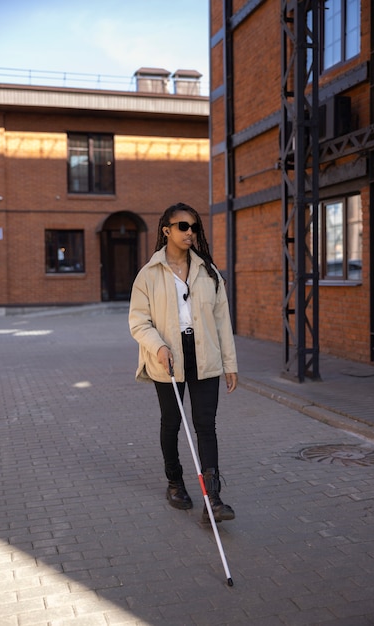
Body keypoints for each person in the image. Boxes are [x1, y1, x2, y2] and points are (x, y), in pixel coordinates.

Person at [129, 202, 238, 522]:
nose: (190, 232)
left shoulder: (208, 271)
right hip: (167, 355)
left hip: (205, 353)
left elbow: (222, 321)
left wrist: (229, 363)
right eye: (183, 226)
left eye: (194, 227)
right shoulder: (148, 274)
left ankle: (213, 499)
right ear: (166, 230)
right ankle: (175, 482)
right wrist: (158, 348)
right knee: (172, 423)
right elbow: (138, 322)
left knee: (206, 425)